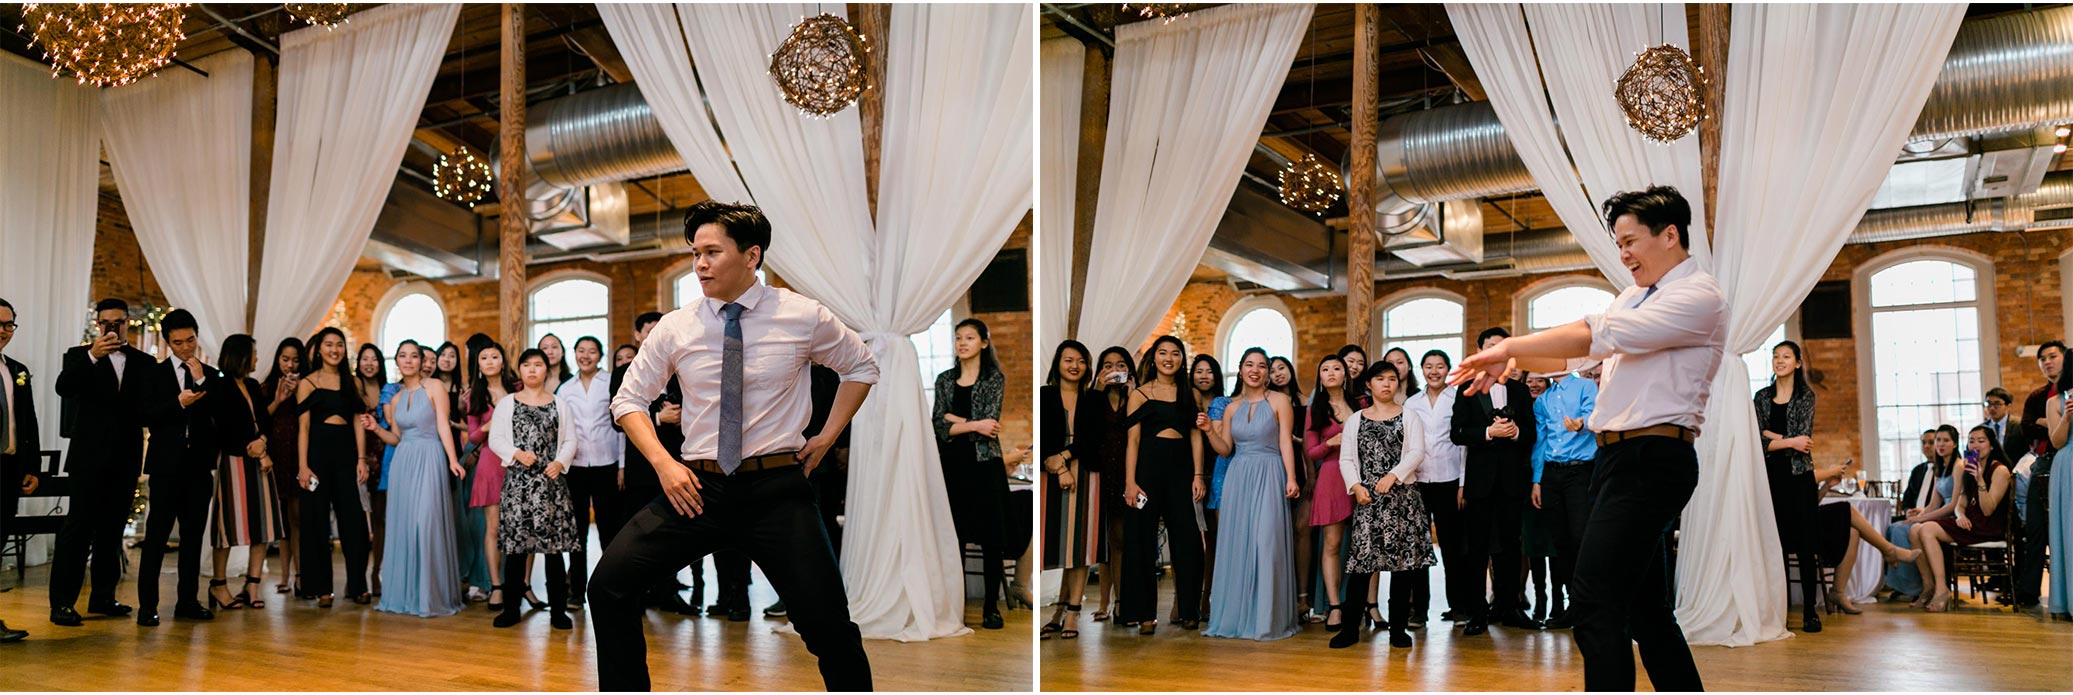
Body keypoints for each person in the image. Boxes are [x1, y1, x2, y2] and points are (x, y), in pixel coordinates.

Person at [592, 201, 877, 691]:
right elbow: (628, 401)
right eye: (694, 253)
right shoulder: (676, 326)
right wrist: (663, 463)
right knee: (608, 587)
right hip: (697, 488)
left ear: (751, 255)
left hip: (778, 490)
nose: (699, 264)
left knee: (828, 626)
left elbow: (862, 367)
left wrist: (827, 438)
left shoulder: (803, 315)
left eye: (711, 252)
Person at [1449, 186, 1718, 691]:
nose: (1623, 255)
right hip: (1615, 460)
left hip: (1652, 457)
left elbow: (1597, 334)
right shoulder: (1635, 298)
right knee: (1647, 611)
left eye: (1630, 241)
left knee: (1592, 601)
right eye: (1618, 244)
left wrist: (1509, 344)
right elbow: (1575, 359)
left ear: (1671, 235)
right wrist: (1508, 363)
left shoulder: (1697, 295)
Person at [49, 298, 151, 626]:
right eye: (105, 322)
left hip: (125, 458)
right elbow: (63, 388)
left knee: (112, 529)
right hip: (87, 458)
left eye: (118, 322)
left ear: (127, 323)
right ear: (98, 324)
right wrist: (94, 355)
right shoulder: (80, 356)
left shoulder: (143, 362)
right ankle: (62, 603)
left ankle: (103, 597)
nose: (112, 327)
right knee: (77, 528)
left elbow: (148, 408)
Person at [1329, 361, 1434, 649]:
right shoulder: (1356, 419)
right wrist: (1355, 486)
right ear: (1369, 385)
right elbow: (1347, 459)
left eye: (1392, 379)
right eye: (1380, 379)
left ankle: (1398, 630)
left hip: (1402, 499)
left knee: (1401, 570)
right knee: (1362, 568)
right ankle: (1350, 629)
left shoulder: (1409, 416)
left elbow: (1416, 452)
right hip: (1368, 500)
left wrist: (1393, 476)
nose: (1386, 384)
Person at [1199, 348, 1300, 641]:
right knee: (1238, 544)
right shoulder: (1231, 407)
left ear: (1267, 372)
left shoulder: (1281, 401)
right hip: (1238, 476)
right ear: (1241, 369)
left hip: (1270, 473)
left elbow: (1285, 443)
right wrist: (1208, 431)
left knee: (1266, 543)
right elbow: (1226, 449)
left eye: (1261, 366)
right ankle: (1235, 616)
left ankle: (1267, 619)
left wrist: (1291, 477)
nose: (1254, 370)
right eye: (1248, 364)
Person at [608, 312, 703, 617]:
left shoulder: (681, 367)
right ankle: (637, 592)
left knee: (675, 531)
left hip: (678, 462)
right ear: (638, 336)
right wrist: (659, 419)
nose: (656, 335)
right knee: (642, 529)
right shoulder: (624, 372)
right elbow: (617, 421)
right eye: (649, 330)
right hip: (642, 466)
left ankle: (668, 591)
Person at [365, 340, 466, 618]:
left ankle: (430, 596)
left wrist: (452, 459)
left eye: (413, 356)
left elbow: (443, 425)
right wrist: (375, 429)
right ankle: (405, 595)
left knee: (427, 522)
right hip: (403, 463)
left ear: (422, 361)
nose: (408, 360)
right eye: (402, 356)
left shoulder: (434, 387)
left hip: (430, 456)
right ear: (396, 361)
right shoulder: (395, 398)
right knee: (406, 526)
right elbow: (395, 438)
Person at [1451, 327, 1540, 635]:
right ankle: (1477, 612)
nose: (1496, 350)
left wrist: (1515, 432)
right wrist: (1489, 433)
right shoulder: (1467, 388)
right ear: (1480, 351)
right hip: (1480, 483)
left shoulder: (1518, 390)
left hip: (1513, 482)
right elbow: (1457, 433)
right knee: (1476, 549)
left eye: (1502, 346)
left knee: (1511, 547)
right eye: (1490, 345)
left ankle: (1510, 606)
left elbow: (1531, 432)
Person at [136, 309, 220, 625]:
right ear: (167, 342)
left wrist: (200, 381)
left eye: (190, 340)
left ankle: (187, 601)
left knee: (193, 536)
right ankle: (148, 605)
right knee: (156, 536)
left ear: (197, 337)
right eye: (178, 342)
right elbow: (145, 414)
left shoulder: (211, 375)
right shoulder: (154, 375)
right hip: (165, 466)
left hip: (199, 467)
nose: (186, 348)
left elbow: (220, 416)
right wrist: (179, 403)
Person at [1119, 335, 1206, 634]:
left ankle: (1189, 610)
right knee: (1141, 541)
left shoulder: (1190, 394)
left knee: (1188, 541)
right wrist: (1130, 482)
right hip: (1147, 470)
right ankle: (1145, 614)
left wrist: (1198, 475)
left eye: (1176, 353)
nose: (1169, 358)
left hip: (1182, 471)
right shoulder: (1139, 394)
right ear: (1154, 358)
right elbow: (1132, 441)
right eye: (1163, 352)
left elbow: (1196, 435)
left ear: (1182, 359)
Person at [488, 349, 580, 630]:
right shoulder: (507, 403)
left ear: (546, 370)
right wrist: (516, 453)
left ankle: (558, 612)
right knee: (516, 551)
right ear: (520, 370)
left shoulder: (560, 404)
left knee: (553, 553)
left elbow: (571, 441)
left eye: (537, 365)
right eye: (526, 365)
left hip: (551, 486)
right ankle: (512, 609)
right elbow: (496, 439)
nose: (532, 370)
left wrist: (560, 462)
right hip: (519, 486)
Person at [933, 318, 1011, 629]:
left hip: (985, 465)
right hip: (952, 466)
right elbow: (938, 426)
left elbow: (989, 425)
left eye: (969, 337)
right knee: (957, 537)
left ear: (983, 342)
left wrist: (957, 421)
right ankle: (957, 605)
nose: (962, 343)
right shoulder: (944, 380)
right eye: (958, 338)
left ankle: (991, 607)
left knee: (992, 538)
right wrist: (973, 424)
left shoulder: (994, 378)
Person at [203, 335, 286, 614]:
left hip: (258, 461)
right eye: (253, 353)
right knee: (227, 527)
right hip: (234, 461)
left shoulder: (251, 385)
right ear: (240, 356)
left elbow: (262, 419)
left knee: (262, 525)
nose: (257, 358)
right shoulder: (219, 386)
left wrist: (262, 441)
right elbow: (221, 428)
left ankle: (252, 584)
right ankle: (218, 584)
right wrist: (254, 449)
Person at [296, 327, 372, 607]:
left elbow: (358, 421)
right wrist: (303, 466)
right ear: (319, 349)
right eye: (329, 344)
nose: (334, 349)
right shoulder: (308, 382)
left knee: (354, 522)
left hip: (346, 452)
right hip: (316, 452)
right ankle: (322, 588)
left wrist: (361, 459)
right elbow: (302, 429)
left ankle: (357, 585)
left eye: (339, 344)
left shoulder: (351, 381)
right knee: (316, 522)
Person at [1755, 340, 1823, 632]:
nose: (1779, 361)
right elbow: (1755, 439)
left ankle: (1810, 611)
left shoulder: (1806, 396)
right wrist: (1787, 440)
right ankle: (1779, 611)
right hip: (1770, 480)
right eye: (1775, 357)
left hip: (1799, 479)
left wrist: (1772, 437)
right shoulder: (1761, 397)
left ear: (1797, 362)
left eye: (1786, 357)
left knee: (1806, 546)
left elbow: (1803, 441)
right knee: (1776, 545)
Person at [1910, 425, 2015, 612]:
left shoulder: (2000, 470)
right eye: (1972, 441)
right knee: (1914, 530)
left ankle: (1942, 589)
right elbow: (1960, 503)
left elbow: (1988, 509)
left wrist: (1980, 480)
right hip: (1969, 522)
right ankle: (1929, 586)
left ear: (1991, 446)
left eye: (1981, 441)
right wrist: (1960, 516)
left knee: (1926, 529)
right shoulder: (1970, 466)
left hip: (1987, 526)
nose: (1975, 445)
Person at [1041, 341, 1104, 640]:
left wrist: (1064, 459)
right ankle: (1057, 609)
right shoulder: (1044, 395)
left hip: (1086, 472)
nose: (1074, 365)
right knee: (1052, 543)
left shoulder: (1094, 399)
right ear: (1058, 363)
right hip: (1048, 474)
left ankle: (1073, 612)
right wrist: (1057, 467)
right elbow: (1040, 435)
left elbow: (1094, 439)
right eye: (1068, 360)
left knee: (1079, 545)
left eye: (1080, 361)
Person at [1531, 366, 1597, 630]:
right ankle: (1572, 606)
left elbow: (1597, 416)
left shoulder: (1586, 387)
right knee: (1559, 542)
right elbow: (1541, 440)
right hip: (1551, 474)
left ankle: (1590, 605)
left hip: (1580, 472)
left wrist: (1583, 422)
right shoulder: (1544, 399)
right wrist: (1537, 479)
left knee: (1580, 538)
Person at [557, 336, 619, 611]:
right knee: (577, 531)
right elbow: (560, 430)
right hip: (576, 466)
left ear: (600, 355)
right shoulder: (565, 388)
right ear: (574, 354)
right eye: (581, 351)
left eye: (592, 351)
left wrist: (622, 466)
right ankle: (576, 591)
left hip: (607, 462)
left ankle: (611, 588)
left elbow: (622, 427)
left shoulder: (610, 383)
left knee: (609, 529)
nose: (586, 356)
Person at [1405, 350, 1465, 628]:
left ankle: (1459, 606)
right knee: (1419, 547)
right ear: (1422, 369)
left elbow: (1464, 445)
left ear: (1448, 369)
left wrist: (1463, 483)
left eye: (1440, 366)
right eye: (1428, 366)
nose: (1434, 371)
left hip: (1449, 479)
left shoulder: (1458, 398)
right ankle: (1419, 610)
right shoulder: (1412, 402)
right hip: (1418, 481)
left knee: (1452, 546)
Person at [463, 341, 518, 610]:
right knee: (493, 528)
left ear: (502, 361)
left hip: (516, 461)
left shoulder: (517, 388)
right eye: (484, 358)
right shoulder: (474, 394)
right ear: (479, 366)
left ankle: (519, 584)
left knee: (517, 527)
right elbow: (473, 436)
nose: (490, 361)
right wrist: (490, 424)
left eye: (495, 356)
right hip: (489, 461)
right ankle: (495, 585)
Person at [1303, 355, 1355, 631]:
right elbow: (1311, 451)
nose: (1332, 373)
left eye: (1337, 368)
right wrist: (1331, 442)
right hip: (1332, 475)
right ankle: (1334, 607)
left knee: (1362, 545)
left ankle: (1365, 605)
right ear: (1320, 377)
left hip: (1360, 477)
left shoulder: (1361, 404)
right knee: (1332, 544)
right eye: (1325, 369)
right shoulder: (1316, 409)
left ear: (1346, 375)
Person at [0, 298, 40, 641]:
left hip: (8, 470)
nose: (3, 330)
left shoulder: (16, 369)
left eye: (9, 324)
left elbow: (27, 422)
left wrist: (32, 466)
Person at [1884, 425, 1960, 602]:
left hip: (1951, 516)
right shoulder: (1934, 468)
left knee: (1907, 529)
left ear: (1954, 444)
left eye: (1942, 441)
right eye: (1936, 441)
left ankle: (1916, 586)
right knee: (1895, 527)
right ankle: (1916, 585)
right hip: (1932, 514)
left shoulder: (1958, 466)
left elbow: (1952, 504)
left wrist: (1922, 517)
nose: (1936, 445)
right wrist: (1914, 515)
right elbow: (1930, 502)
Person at [2014, 341, 2063, 614]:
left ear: (2064, 358)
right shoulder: (2036, 397)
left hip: (2065, 460)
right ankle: (2029, 590)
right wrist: (2049, 423)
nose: (2047, 362)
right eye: (2042, 358)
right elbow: (2025, 429)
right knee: (2035, 529)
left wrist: (2047, 422)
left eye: (2052, 356)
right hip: (2044, 462)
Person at [1089, 346, 1135, 624]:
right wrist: (1096, 390)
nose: (1114, 370)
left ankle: (1120, 600)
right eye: (1107, 365)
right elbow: (1088, 428)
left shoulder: (1135, 397)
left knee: (1119, 539)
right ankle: (1104, 600)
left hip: (1125, 473)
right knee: (1101, 543)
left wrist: (1131, 394)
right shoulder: (1093, 397)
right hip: (1099, 471)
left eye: (1119, 365)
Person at [1266, 355, 1314, 621]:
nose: (1277, 374)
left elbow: (1312, 438)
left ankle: (1303, 597)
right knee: (1277, 531)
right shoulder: (1266, 401)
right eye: (1272, 371)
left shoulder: (1305, 402)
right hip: (1275, 467)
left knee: (1301, 530)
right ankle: (1279, 596)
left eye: (1281, 368)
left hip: (1303, 466)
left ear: (1290, 370)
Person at [260, 338, 305, 597]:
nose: (290, 364)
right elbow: (260, 419)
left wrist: (298, 392)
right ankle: (285, 576)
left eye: (295, 360)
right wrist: (279, 398)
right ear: (278, 359)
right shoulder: (266, 387)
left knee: (296, 518)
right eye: (285, 359)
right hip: (275, 456)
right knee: (282, 522)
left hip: (298, 457)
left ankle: (300, 574)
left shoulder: (307, 386)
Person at [1190, 354, 1228, 620]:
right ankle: (1185, 600)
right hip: (1188, 471)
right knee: (1191, 539)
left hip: (1218, 469)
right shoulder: (1184, 400)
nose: (1204, 376)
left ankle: (1209, 598)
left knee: (1214, 537)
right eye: (1199, 371)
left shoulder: (1223, 404)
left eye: (1209, 371)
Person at [354, 343, 390, 599]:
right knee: (357, 522)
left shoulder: (389, 390)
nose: (369, 363)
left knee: (381, 521)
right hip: (358, 457)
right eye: (364, 359)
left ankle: (376, 574)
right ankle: (356, 578)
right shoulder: (353, 386)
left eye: (374, 359)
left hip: (385, 458)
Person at [2049, 352, 2073, 622]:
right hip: (2067, 464)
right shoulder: (2056, 401)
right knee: (2069, 532)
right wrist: (2066, 417)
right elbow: (2055, 443)